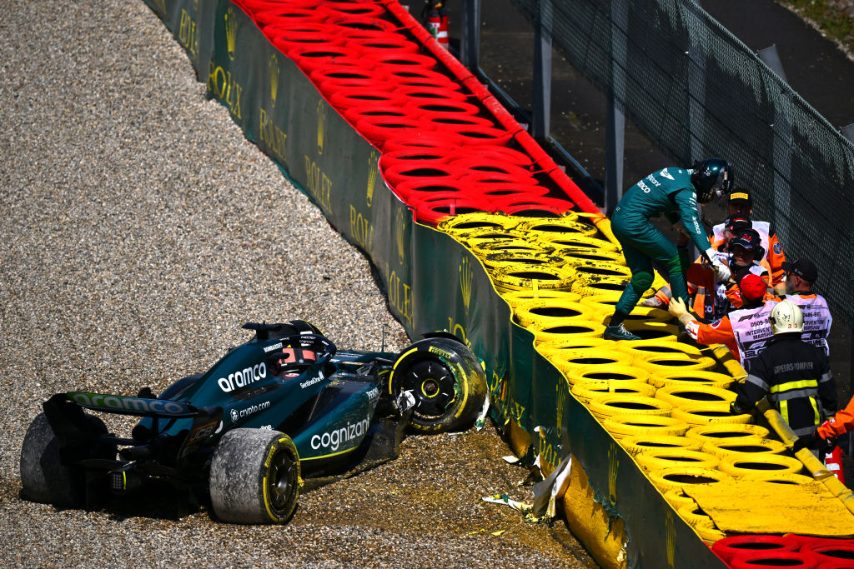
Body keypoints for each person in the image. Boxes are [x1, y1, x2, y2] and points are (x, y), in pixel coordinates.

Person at [604, 158, 734, 340]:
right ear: (707, 181)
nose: (713, 195)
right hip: (633, 223)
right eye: (714, 190)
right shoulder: (686, 191)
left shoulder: (676, 173)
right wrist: (714, 259)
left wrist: (675, 221)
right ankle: (684, 321)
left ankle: (614, 326)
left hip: (620, 219)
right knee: (675, 261)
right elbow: (692, 223)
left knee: (643, 277)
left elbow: (663, 199)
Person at [730, 300, 836, 440]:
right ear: (801, 324)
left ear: (773, 325)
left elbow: (751, 394)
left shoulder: (768, 357)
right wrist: (829, 428)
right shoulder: (816, 354)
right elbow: (829, 396)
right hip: (814, 436)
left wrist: (736, 407)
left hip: (784, 437)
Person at [668, 273, 775, 368]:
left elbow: (700, 334)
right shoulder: (777, 307)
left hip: (749, 375)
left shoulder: (733, 321)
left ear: (741, 294)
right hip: (775, 367)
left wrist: (682, 315)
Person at [710, 187, 786, 291]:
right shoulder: (717, 232)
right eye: (735, 206)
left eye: (743, 206)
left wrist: (778, 297)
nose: (738, 210)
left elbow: (780, 272)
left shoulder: (765, 232)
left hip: (759, 293)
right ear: (728, 207)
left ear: (750, 209)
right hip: (722, 291)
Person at [778, 258, 832, 356]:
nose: (785, 279)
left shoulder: (785, 303)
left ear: (797, 280)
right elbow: (827, 330)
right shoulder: (822, 302)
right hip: (820, 359)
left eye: (788, 275)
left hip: (796, 359)